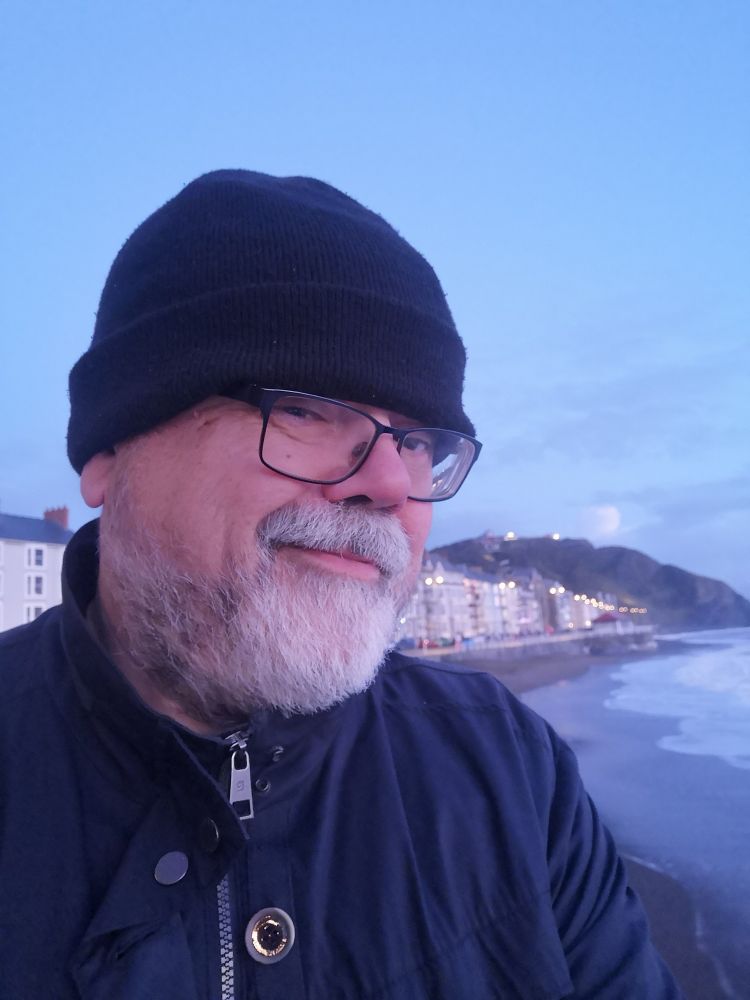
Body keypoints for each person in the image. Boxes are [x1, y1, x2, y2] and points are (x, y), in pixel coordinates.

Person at [0, 170, 683, 999]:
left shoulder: (510, 768)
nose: (391, 484)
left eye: (421, 441)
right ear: (112, 448)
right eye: (307, 409)